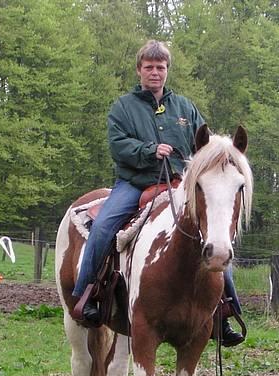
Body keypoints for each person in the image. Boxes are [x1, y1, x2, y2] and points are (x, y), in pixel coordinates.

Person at [73, 40, 244, 346]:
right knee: (102, 227)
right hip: (134, 183)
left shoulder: (185, 108)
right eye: (149, 67)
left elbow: (203, 143)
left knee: (212, 238)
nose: (155, 72)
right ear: (140, 70)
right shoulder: (123, 107)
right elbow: (117, 144)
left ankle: (223, 310)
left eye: (160, 67)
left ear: (167, 71)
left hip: (178, 183)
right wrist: (148, 150)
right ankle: (87, 295)